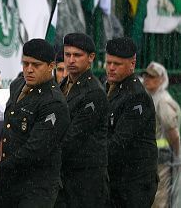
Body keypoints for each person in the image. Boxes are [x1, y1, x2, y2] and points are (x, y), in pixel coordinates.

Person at [0, 38, 70, 207]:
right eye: (25, 64)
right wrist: (2, 142)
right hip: (11, 181)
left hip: (36, 185)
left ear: (51, 66)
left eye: (36, 65)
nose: (29, 70)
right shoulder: (18, 85)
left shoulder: (53, 102)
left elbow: (36, 149)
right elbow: (11, 118)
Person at [54, 33, 109, 208]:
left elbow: (73, 135)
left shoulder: (93, 92)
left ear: (91, 57)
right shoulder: (63, 85)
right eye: (67, 54)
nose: (71, 60)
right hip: (66, 176)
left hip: (85, 180)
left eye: (77, 55)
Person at [105, 37, 158, 207]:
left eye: (117, 64)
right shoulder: (110, 87)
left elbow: (119, 142)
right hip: (117, 181)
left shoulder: (137, 96)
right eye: (109, 63)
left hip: (134, 185)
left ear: (132, 63)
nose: (111, 68)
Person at [141, 62, 181, 208]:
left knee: (160, 197)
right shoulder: (151, 97)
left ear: (161, 80)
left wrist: (177, 155)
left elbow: (172, 132)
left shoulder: (162, 101)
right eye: (146, 76)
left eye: (152, 77)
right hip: (151, 157)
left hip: (161, 158)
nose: (147, 79)